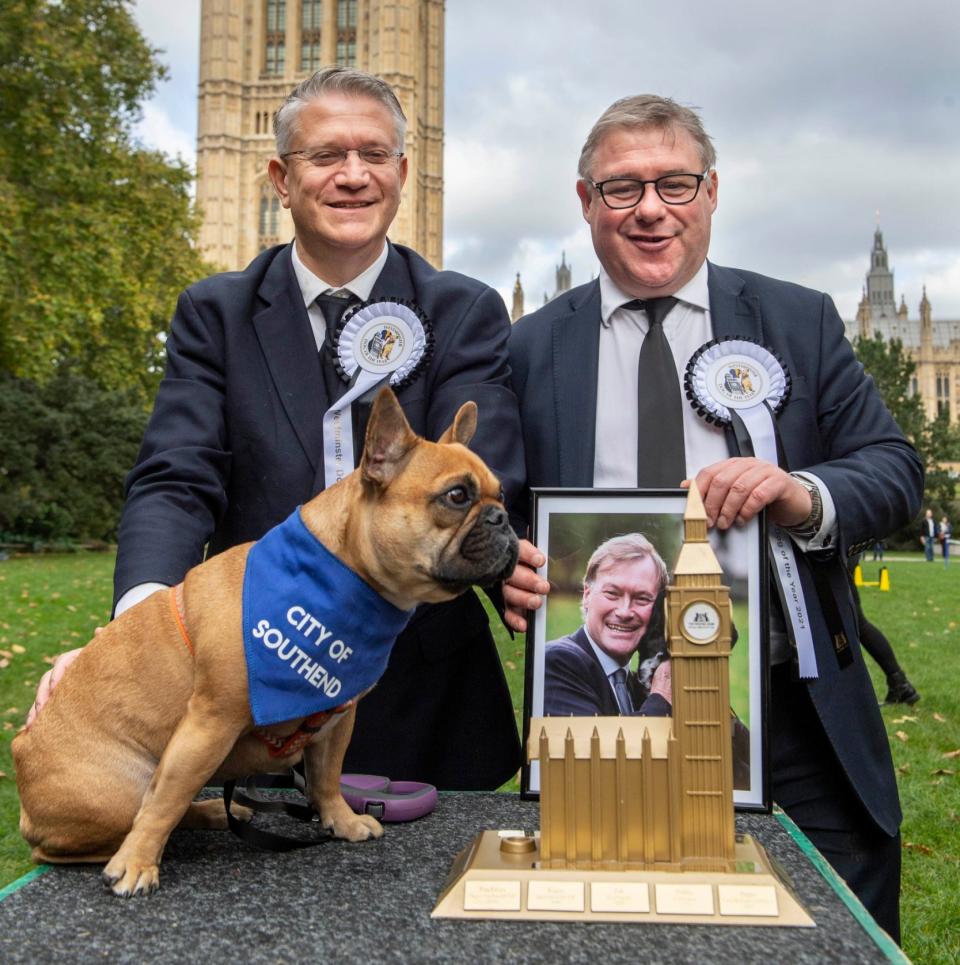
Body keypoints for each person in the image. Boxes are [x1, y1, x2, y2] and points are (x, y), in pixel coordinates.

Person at [28, 67, 525, 791]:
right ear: (279, 178)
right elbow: (176, 476)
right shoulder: (213, 314)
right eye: (326, 156)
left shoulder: (464, 311)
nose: (353, 176)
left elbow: (484, 468)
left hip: (422, 708)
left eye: (374, 155)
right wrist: (131, 636)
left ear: (403, 172)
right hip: (245, 706)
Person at [504, 95, 923, 941]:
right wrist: (498, 565)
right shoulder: (529, 346)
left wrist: (800, 492)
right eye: (621, 189)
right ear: (586, 202)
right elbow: (494, 507)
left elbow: (894, 471)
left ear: (713, 191)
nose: (651, 208)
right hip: (607, 719)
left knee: (823, 934)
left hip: (793, 707)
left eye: (674, 183)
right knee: (611, 934)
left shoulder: (797, 320)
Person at [544, 533, 671, 717]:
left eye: (642, 599)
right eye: (612, 593)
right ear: (587, 595)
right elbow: (598, 745)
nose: (624, 611)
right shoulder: (558, 661)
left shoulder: (632, 684)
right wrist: (661, 698)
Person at [845, 554, 920, 705]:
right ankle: (899, 683)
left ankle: (899, 683)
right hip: (839, 551)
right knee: (857, 622)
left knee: (855, 622)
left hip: (827, 552)